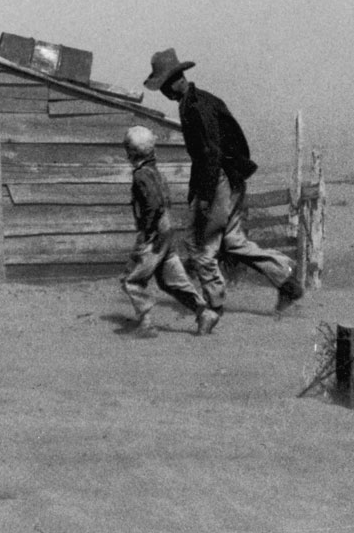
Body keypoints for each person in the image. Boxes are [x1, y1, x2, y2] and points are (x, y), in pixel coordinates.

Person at [143, 49, 303, 334]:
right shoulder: (197, 101)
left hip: (218, 180)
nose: (165, 92)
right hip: (228, 178)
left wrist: (204, 198)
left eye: (166, 85)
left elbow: (211, 154)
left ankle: (213, 308)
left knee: (202, 247)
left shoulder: (197, 107)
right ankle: (287, 282)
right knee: (234, 242)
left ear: (178, 79)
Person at [119, 125, 217, 338]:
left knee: (132, 279)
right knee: (171, 279)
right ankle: (204, 312)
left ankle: (146, 323)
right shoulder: (157, 173)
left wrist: (147, 231)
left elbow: (153, 204)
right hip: (167, 231)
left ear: (131, 152)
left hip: (154, 233)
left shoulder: (141, 176)